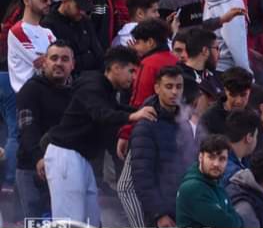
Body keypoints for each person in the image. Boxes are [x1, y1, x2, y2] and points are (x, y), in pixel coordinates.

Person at [44, 45, 154, 225]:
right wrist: (133, 116)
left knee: (91, 220)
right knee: (71, 221)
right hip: (66, 156)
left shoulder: (104, 88)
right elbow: (101, 114)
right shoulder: (93, 87)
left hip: (80, 158)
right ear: (116, 68)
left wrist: (141, 112)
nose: (134, 77)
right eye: (131, 71)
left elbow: (114, 109)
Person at [123, 65, 190, 228]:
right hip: (160, 214)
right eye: (169, 86)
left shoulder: (184, 122)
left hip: (181, 209)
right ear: (157, 88)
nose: (174, 92)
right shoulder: (146, 126)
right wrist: (159, 213)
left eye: (179, 87)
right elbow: (143, 176)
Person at [14, 40, 74, 220]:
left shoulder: (77, 92)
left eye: (65, 59)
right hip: (32, 168)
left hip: (67, 170)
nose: (59, 63)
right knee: (37, 222)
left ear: (73, 64)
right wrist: (39, 158)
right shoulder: (30, 89)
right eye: (54, 58)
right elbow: (27, 127)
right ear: (45, 62)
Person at [175, 134, 244, 228]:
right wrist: (233, 219)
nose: (216, 164)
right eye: (211, 157)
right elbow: (226, 223)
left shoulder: (215, 183)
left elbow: (237, 221)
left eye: (222, 159)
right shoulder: (192, 188)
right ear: (200, 157)